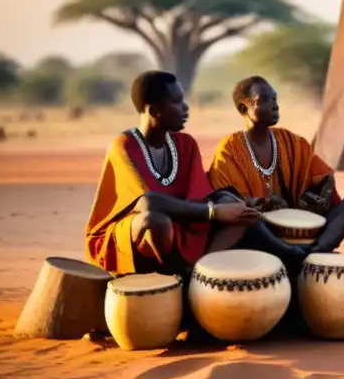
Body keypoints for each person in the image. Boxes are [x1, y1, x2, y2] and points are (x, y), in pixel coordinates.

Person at [85, 71, 261, 276]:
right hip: (135, 231)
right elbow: (147, 203)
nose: (186, 108)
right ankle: (170, 278)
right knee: (155, 221)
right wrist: (214, 211)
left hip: (181, 222)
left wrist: (236, 205)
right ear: (152, 110)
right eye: (176, 102)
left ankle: (197, 272)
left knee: (232, 204)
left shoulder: (185, 144)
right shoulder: (124, 146)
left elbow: (200, 196)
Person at [207, 76, 344, 259]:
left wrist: (311, 202)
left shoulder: (293, 142)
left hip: (302, 232)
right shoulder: (229, 149)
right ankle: (293, 255)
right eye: (263, 100)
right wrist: (263, 205)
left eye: (275, 99)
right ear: (243, 108)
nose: (275, 105)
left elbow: (323, 180)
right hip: (261, 231)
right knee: (249, 221)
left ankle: (316, 251)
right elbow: (226, 199)